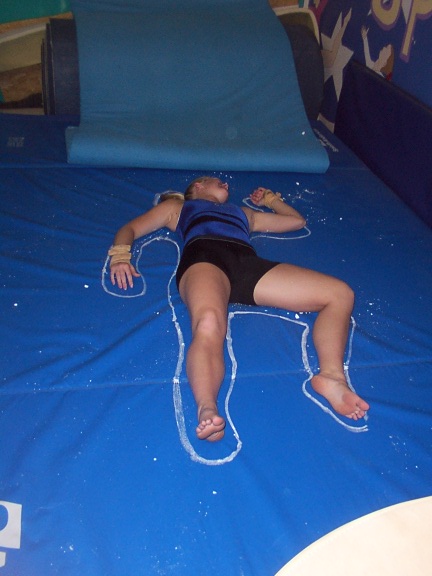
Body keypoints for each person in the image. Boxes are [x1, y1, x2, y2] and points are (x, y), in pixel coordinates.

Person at [109, 176, 369, 442]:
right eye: (215, 180)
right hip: (205, 259)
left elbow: (296, 221)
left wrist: (271, 200)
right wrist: (120, 256)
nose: (225, 183)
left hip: (246, 264)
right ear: (198, 186)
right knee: (208, 323)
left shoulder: (243, 213)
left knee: (339, 293)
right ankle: (207, 408)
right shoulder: (179, 207)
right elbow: (130, 228)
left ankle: (332, 378)